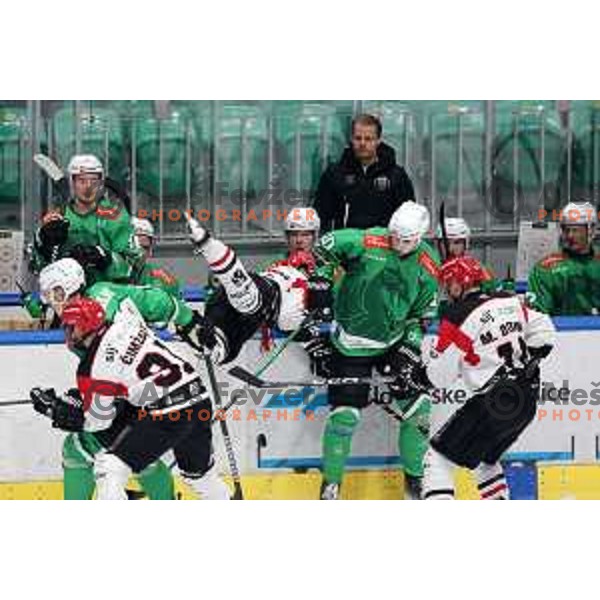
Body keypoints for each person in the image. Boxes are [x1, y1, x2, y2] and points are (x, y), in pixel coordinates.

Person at [36, 258, 229, 500]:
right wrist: (188, 321)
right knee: (199, 476)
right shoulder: (125, 324)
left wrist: (59, 412)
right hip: (195, 392)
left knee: (110, 466)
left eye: (71, 328)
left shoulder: (95, 358)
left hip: (164, 410)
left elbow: (98, 420)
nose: (67, 333)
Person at [392, 256, 555, 500]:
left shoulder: (458, 316)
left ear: (460, 284)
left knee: (437, 459)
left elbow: (440, 375)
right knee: (485, 462)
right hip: (526, 398)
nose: (447, 291)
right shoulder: (509, 301)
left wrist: (417, 376)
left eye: (449, 284)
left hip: (491, 402)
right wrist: (529, 360)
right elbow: (544, 331)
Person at [313, 201, 440, 500]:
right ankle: (331, 485)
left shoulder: (428, 264)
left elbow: (422, 315)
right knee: (345, 418)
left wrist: (409, 347)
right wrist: (321, 279)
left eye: (406, 241)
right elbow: (324, 246)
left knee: (419, 412)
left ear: (420, 237)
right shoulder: (368, 239)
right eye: (394, 236)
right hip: (349, 343)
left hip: (393, 342)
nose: (397, 244)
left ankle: (415, 481)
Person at [185, 211, 326, 366]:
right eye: (294, 235)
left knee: (246, 306)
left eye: (305, 235)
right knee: (242, 303)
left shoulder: (330, 267)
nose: (299, 240)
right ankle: (213, 340)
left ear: (315, 236)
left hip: (311, 342)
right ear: (287, 237)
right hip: (263, 316)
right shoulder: (277, 263)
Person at [29, 154, 143, 286]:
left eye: (94, 181)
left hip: (108, 293)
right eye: (82, 181)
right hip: (65, 294)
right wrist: (43, 243)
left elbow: (134, 264)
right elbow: (36, 267)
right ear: (72, 183)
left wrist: (106, 258)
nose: (88, 187)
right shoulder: (57, 217)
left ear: (101, 184)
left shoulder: (115, 215)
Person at [314, 114, 415, 232]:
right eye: (358, 138)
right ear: (351, 139)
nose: (362, 143)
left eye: (368, 139)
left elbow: (409, 217)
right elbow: (321, 216)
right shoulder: (334, 174)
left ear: (378, 140)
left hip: (384, 247)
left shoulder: (396, 176)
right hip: (345, 246)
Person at [527, 201, 600, 315]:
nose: (570, 236)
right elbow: (537, 317)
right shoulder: (545, 269)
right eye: (566, 230)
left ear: (591, 231)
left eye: (576, 230)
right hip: (560, 331)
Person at [434, 216, 506, 294]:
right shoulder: (429, 269)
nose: (451, 248)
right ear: (438, 245)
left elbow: (497, 293)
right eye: (446, 243)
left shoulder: (477, 269)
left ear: (466, 244)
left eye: (457, 243)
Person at [130, 216, 181, 297]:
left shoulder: (162, 278)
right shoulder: (106, 276)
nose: (140, 254)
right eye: (134, 248)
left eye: (145, 248)